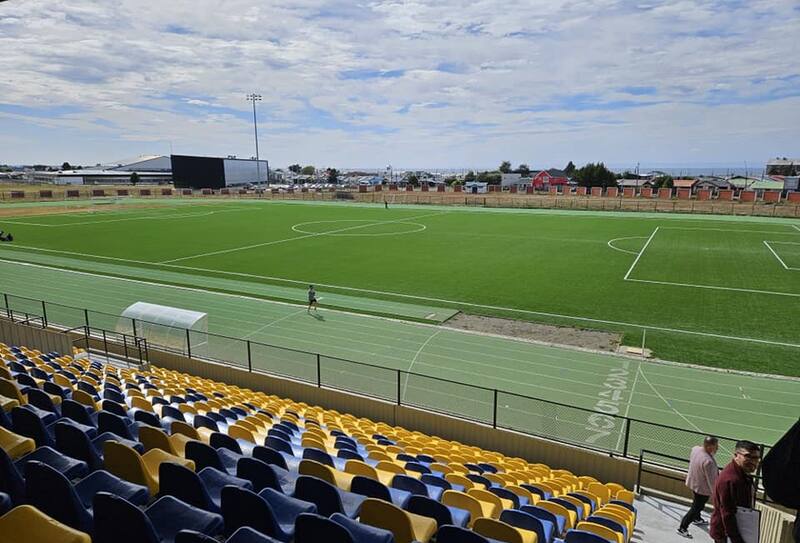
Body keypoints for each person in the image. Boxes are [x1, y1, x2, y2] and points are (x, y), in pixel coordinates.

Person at [710, 440, 761, 543]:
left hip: (739, 530)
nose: (753, 461)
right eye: (748, 456)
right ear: (736, 455)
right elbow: (727, 514)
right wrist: (737, 540)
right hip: (726, 535)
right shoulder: (730, 480)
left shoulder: (741, 474)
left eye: (756, 458)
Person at [678, 436, 719, 538]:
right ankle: (683, 527)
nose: (717, 448)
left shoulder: (695, 449)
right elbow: (712, 480)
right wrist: (716, 493)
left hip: (694, 482)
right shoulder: (708, 461)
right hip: (702, 488)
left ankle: (697, 518)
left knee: (696, 502)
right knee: (697, 507)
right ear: (710, 447)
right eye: (716, 446)